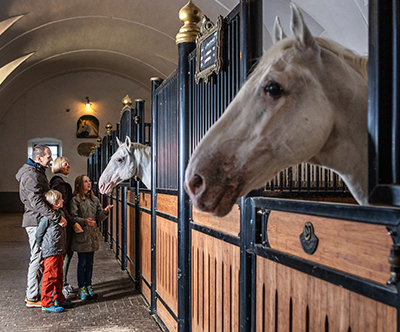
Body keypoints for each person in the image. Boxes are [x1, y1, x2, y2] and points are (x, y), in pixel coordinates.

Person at [16, 145, 67, 308]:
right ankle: (32, 296)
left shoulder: (36, 172)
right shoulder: (31, 175)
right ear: (38, 158)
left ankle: (39, 294)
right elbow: (36, 202)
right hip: (35, 220)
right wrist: (56, 217)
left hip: (39, 218)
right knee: (37, 258)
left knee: (39, 258)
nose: (51, 159)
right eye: (48, 157)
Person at [70, 175, 113, 300]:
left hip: (92, 236)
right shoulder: (75, 200)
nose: (89, 183)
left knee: (90, 263)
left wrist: (105, 211)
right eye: (85, 181)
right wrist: (84, 221)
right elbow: (73, 217)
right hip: (82, 236)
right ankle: (81, 288)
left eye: (89, 181)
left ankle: (89, 286)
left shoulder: (94, 200)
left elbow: (99, 217)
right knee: (82, 262)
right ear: (78, 184)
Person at [36, 190, 75, 312]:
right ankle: (46, 303)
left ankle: (59, 298)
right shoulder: (47, 217)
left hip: (59, 250)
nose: (63, 200)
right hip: (51, 251)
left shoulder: (60, 212)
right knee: (50, 276)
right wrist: (41, 246)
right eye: (61, 199)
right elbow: (39, 233)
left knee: (58, 274)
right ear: (54, 202)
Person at [50, 157, 83, 298]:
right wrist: (73, 222)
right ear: (58, 166)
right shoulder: (60, 185)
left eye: (69, 163)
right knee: (66, 253)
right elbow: (63, 208)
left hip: (64, 223)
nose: (68, 165)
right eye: (65, 164)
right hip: (65, 224)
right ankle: (61, 285)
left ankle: (60, 284)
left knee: (64, 254)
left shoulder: (59, 182)